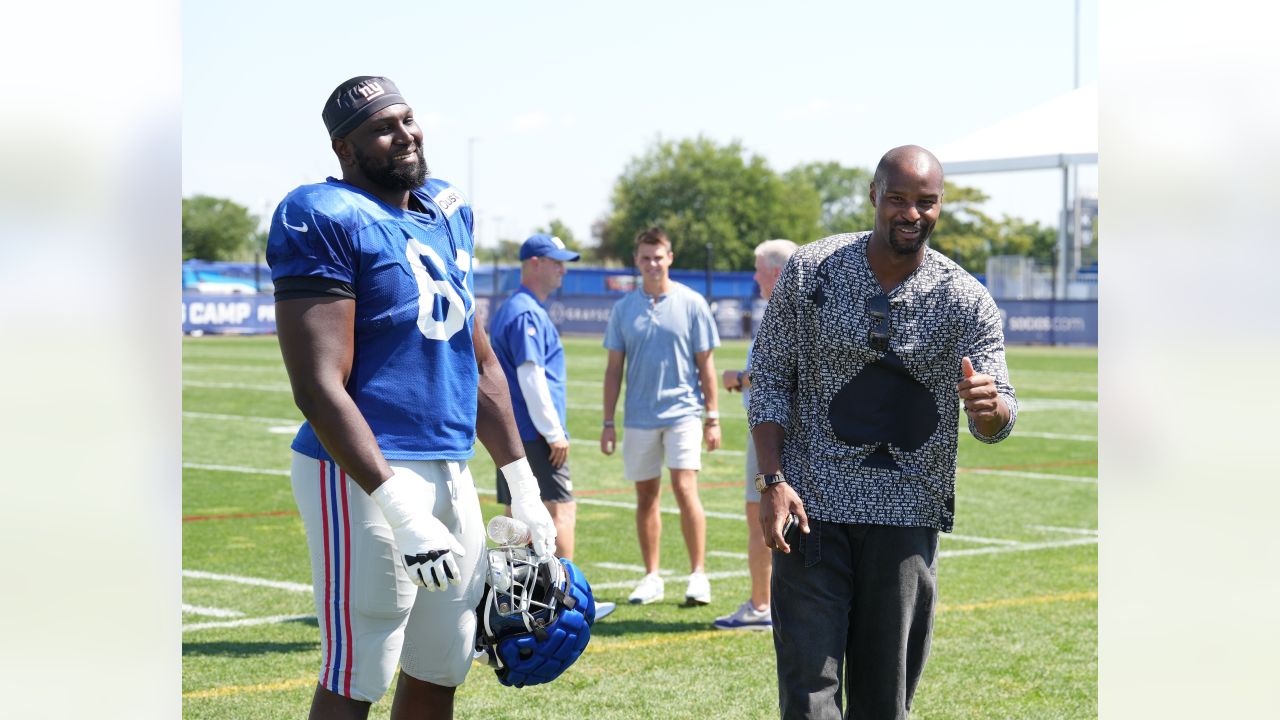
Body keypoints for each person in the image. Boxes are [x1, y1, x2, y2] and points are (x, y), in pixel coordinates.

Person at [266, 75, 557, 720]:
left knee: (444, 659)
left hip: (450, 463)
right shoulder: (322, 214)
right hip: (363, 472)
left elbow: (478, 358)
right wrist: (398, 506)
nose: (404, 135)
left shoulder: (442, 213)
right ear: (344, 149)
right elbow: (317, 384)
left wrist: (524, 485)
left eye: (407, 119)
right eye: (381, 127)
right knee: (361, 664)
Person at [749, 145, 1018, 719]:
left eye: (926, 202)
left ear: (940, 206)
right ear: (873, 196)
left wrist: (988, 408)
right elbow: (770, 377)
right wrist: (771, 480)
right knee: (808, 694)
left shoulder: (964, 298)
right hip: (809, 511)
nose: (911, 214)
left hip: (905, 522)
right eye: (898, 199)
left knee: (883, 701)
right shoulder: (812, 271)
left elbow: (998, 418)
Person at [488, 232, 615, 620]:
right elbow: (531, 377)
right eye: (555, 260)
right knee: (559, 512)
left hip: (513, 435)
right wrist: (554, 432)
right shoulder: (526, 311)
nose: (563, 268)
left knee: (517, 520)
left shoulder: (515, 307)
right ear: (534, 264)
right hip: (533, 434)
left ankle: (522, 604)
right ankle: (564, 604)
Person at [600, 226, 722, 606]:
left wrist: (713, 416)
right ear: (636, 261)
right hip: (638, 417)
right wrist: (608, 421)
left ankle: (698, 575)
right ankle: (652, 576)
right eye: (645, 257)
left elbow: (707, 366)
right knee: (646, 497)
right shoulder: (623, 309)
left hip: (683, 412)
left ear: (670, 258)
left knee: (686, 489)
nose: (652, 263)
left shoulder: (692, 302)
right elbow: (613, 369)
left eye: (659, 256)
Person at [713, 238, 798, 632]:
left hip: (773, 431)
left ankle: (762, 604)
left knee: (761, 516)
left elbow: (777, 374)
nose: (753, 276)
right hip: (786, 427)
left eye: (759, 269)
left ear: (777, 273)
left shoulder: (783, 313)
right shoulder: (798, 309)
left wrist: (738, 378)